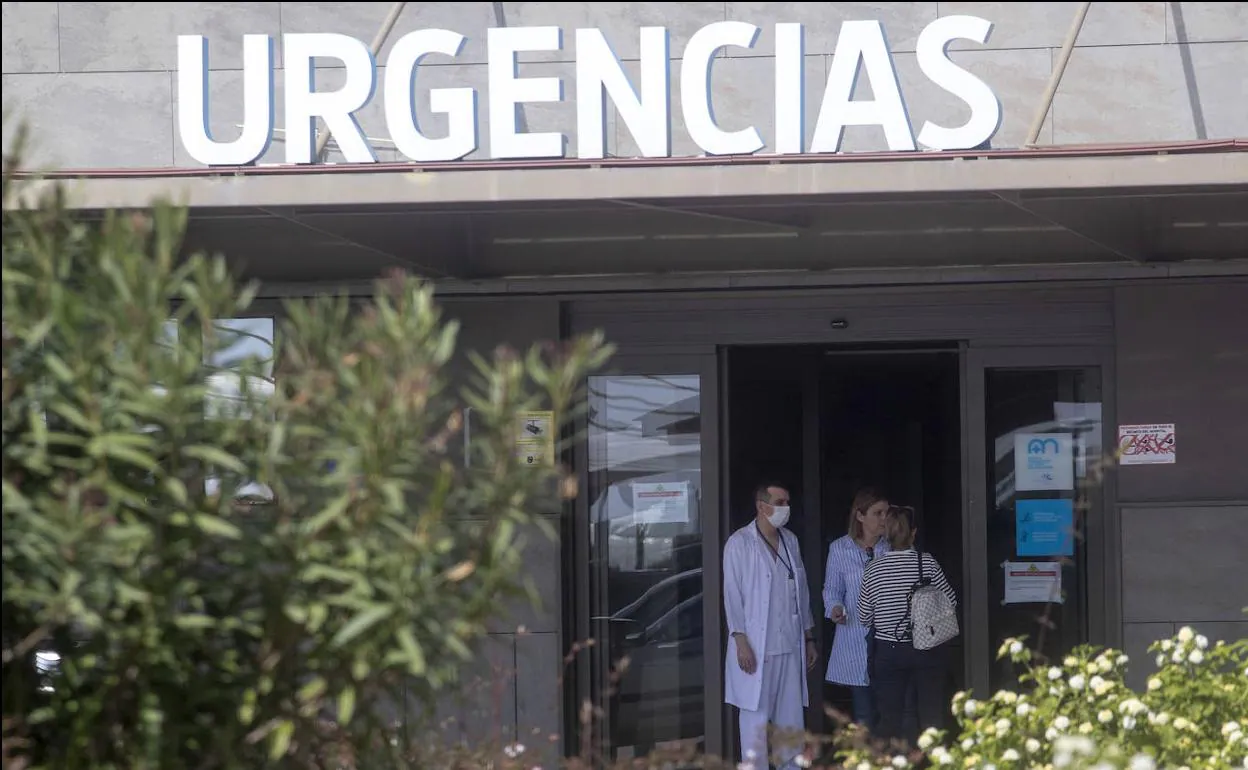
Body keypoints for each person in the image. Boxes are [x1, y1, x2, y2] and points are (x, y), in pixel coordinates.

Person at [723, 482, 818, 769]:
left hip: (789, 644)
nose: (785, 508)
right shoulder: (739, 542)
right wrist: (740, 640)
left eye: (787, 501)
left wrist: (808, 637)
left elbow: (801, 594)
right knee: (755, 719)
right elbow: (732, 594)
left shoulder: (791, 541)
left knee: (790, 720)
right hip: (755, 645)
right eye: (779, 501)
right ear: (762, 506)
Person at [858, 504, 958, 747]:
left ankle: (891, 762)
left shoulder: (874, 569)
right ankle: (935, 762)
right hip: (927, 648)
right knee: (931, 716)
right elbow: (951, 601)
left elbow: (863, 616)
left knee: (889, 718)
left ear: (886, 534)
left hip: (888, 651)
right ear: (914, 533)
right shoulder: (927, 563)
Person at [823, 487, 891, 729]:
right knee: (864, 713)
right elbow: (832, 591)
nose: (884, 518)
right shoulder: (840, 549)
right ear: (860, 516)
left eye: (887, 512)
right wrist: (834, 609)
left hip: (888, 639)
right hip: (855, 636)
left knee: (891, 709)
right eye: (878, 513)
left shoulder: (892, 547)